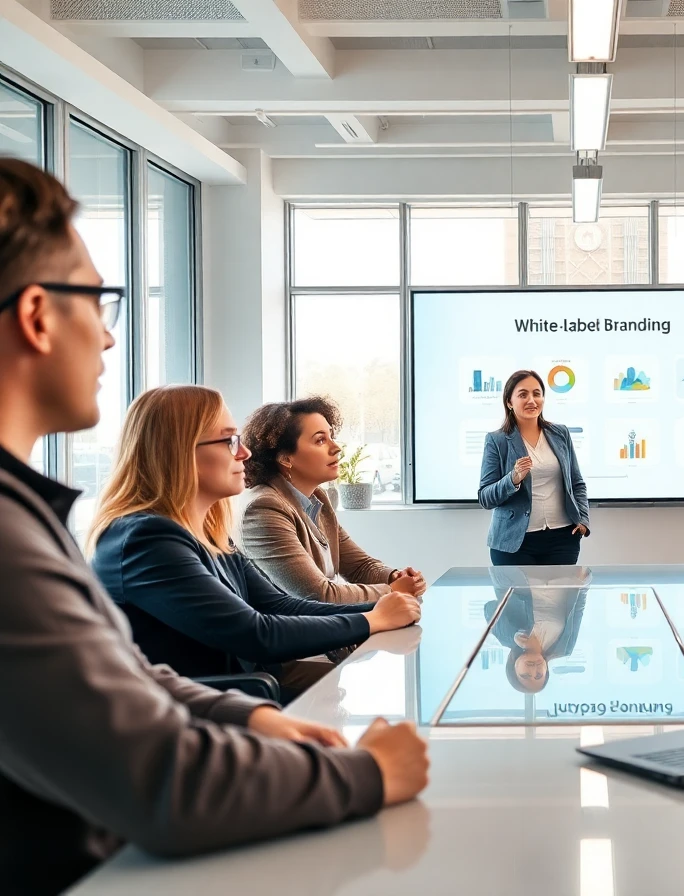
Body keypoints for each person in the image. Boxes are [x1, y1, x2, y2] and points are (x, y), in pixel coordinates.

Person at [0, 158, 427, 895]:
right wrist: (363, 772)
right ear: (38, 315)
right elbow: (166, 783)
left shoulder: (29, 518)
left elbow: (130, 675)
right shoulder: (48, 539)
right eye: (99, 302)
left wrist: (253, 721)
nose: (107, 340)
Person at [89, 385, 423, 700]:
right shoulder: (146, 540)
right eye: (229, 442)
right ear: (178, 451)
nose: (245, 453)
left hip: (234, 694)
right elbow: (255, 634)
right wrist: (373, 619)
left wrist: (379, 609)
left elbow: (281, 605)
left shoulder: (206, 532)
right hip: (193, 716)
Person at [239, 396, 427, 603]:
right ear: (285, 458)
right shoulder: (263, 508)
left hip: (323, 625)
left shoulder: (317, 498)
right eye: (320, 440)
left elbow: (359, 566)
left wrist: (396, 577)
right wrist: (393, 592)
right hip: (293, 631)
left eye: (331, 436)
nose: (336, 448)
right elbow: (319, 595)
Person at [478, 369, 590, 566]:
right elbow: (485, 497)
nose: (532, 400)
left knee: (564, 597)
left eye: (537, 393)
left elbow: (576, 482)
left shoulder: (560, 433)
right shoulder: (496, 440)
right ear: (509, 402)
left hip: (563, 539)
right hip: (514, 543)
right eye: (523, 394)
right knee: (516, 598)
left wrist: (583, 520)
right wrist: (512, 479)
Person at [483, 567, 590, 693]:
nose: (533, 670)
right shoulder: (564, 648)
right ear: (546, 671)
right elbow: (577, 611)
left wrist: (515, 635)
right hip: (559, 574)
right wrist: (583, 583)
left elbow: (490, 608)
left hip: (518, 573)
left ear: (514, 667)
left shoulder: (506, 638)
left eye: (525, 675)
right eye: (539, 675)